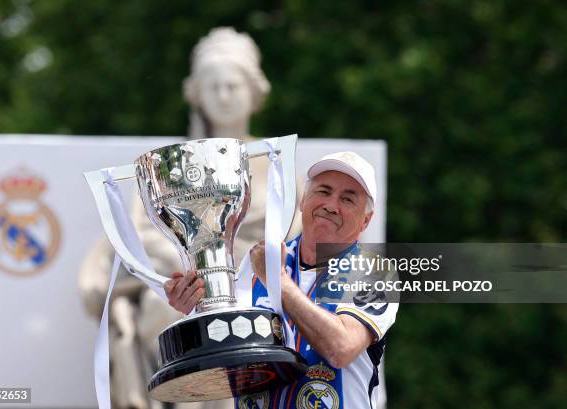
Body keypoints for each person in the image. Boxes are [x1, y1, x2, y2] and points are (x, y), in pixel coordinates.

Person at [78, 27, 299, 409]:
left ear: (254, 91)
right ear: (197, 93)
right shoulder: (168, 166)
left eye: (233, 85)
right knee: (165, 308)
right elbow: (142, 238)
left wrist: (250, 270)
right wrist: (179, 272)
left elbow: (293, 241)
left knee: (243, 316)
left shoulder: (275, 166)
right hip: (184, 288)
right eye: (214, 87)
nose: (224, 96)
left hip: (260, 287)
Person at [164, 151, 398, 409]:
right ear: (303, 200)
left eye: (347, 199)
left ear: (366, 220)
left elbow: (339, 348)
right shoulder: (259, 262)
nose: (331, 205)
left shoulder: (376, 273)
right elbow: (225, 339)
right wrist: (193, 306)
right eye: (323, 191)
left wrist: (278, 281)